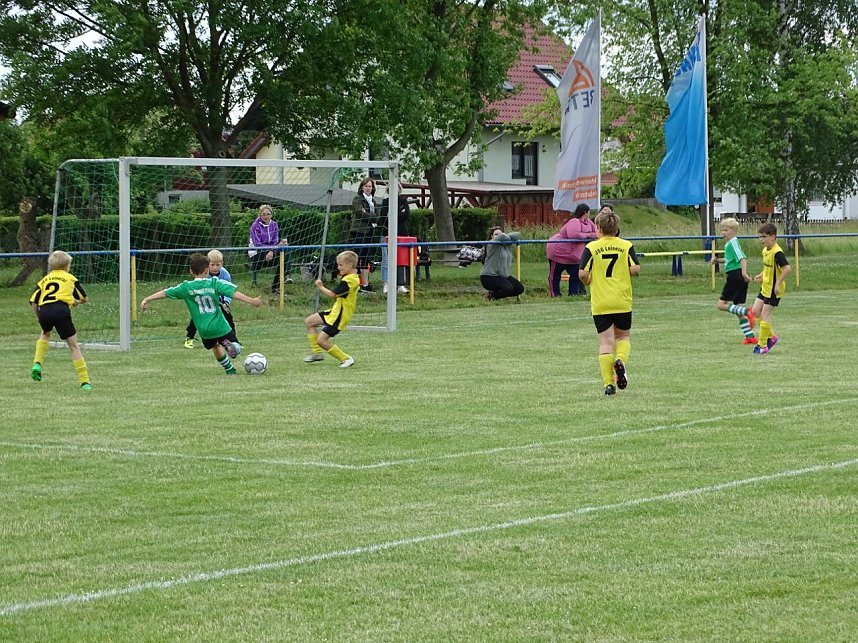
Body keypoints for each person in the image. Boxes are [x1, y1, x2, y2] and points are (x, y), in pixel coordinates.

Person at [141, 253, 262, 374]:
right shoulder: (214, 283)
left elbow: (166, 292)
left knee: (215, 346)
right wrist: (252, 301)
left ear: (190, 271)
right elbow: (233, 293)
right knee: (236, 347)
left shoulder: (185, 287)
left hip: (203, 330)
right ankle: (232, 346)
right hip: (220, 326)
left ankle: (230, 370)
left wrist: (148, 299)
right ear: (206, 270)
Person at [578, 210, 641, 395]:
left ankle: (608, 385)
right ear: (617, 228)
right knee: (623, 337)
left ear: (598, 228)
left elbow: (582, 273)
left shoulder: (592, 247)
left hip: (601, 301)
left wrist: (588, 281)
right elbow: (636, 268)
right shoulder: (626, 245)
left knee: (605, 343)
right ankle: (620, 359)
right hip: (621, 299)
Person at [29, 250, 92, 389]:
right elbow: (84, 298)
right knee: (73, 346)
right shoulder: (70, 278)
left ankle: (37, 363)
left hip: (44, 310)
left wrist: (39, 316)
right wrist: (76, 302)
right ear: (66, 266)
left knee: (45, 333)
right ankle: (84, 381)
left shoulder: (44, 280)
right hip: (61, 310)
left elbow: (33, 301)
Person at [303, 250, 360, 368]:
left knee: (321, 341)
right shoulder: (349, 277)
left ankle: (346, 358)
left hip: (339, 317)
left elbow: (333, 294)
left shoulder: (350, 280)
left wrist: (320, 287)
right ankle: (316, 353)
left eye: (340, 265)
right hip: (334, 312)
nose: (338, 267)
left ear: (350, 265)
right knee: (309, 322)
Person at [710, 217, 757, 345]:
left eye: (726, 230)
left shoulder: (733, 243)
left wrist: (744, 273)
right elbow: (731, 259)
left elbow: (742, 258)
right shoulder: (730, 244)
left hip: (735, 276)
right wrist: (718, 261)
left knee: (721, 305)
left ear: (734, 231)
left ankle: (749, 312)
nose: (723, 233)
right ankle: (750, 336)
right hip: (737, 276)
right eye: (722, 230)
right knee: (737, 308)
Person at [184, 249, 239, 349]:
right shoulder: (203, 273)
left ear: (222, 264)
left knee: (228, 317)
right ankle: (189, 338)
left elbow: (229, 290)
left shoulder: (225, 274)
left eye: (218, 265)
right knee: (197, 318)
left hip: (220, 301)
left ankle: (234, 342)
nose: (215, 267)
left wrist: (226, 301)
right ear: (207, 264)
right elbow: (197, 286)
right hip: (204, 301)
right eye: (212, 265)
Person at [750, 222, 791, 354]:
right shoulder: (765, 251)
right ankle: (771, 337)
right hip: (765, 286)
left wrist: (778, 283)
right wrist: (762, 275)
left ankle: (762, 346)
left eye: (764, 237)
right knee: (756, 311)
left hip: (774, 289)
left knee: (765, 314)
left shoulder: (777, 252)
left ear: (773, 237)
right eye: (760, 237)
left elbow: (787, 268)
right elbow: (769, 267)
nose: (761, 239)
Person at [546, 203, 598, 297]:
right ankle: (555, 294)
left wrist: (587, 235)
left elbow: (596, 233)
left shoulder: (589, 222)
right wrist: (589, 235)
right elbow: (574, 235)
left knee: (575, 275)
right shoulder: (574, 221)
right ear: (585, 212)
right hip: (559, 252)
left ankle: (573, 293)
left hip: (574, 256)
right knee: (555, 274)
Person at [248, 204, 291, 293]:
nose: (266, 216)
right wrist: (270, 250)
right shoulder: (255, 226)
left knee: (285, 253)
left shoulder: (274, 225)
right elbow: (257, 244)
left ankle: (279, 283)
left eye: (268, 214)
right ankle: (285, 276)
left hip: (271, 251)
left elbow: (275, 241)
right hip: (257, 253)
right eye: (263, 214)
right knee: (279, 252)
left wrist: (273, 249)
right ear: (260, 215)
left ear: (271, 215)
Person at [349, 177, 381, 292]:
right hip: (359, 231)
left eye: (370, 186)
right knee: (357, 257)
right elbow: (359, 213)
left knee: (366, 258)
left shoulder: (374, 201)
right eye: (366, 186)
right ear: (362, 187)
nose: (368, 188)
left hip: (370, 232)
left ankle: (366, 285)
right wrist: (370, 215)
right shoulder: (357, 199)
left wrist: (367, 213)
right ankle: (354, 284)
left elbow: (377, 216)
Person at [380, 184, 412, 294]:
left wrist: (393, 215)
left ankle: (400, 284)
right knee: (386, 259)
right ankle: (386, 284)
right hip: (387, 233)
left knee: (401, 259)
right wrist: (398, 214)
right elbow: (383, 217)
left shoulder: (403, 201)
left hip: (401, 233)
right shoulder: (385, 202)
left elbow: (406, 214)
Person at [480, 226, 525, 301]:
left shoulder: (507, 244)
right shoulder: (491, 244)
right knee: (508, 288)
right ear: (491, 236)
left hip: (503, 275)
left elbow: (517, 234)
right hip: (489, 276)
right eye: (496, 234)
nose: (499, 235)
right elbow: (502, 236)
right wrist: (504, 236)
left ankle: (495, 294)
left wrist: (506, 238)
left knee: (519, 289)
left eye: (500, 233)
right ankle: (492, 297)